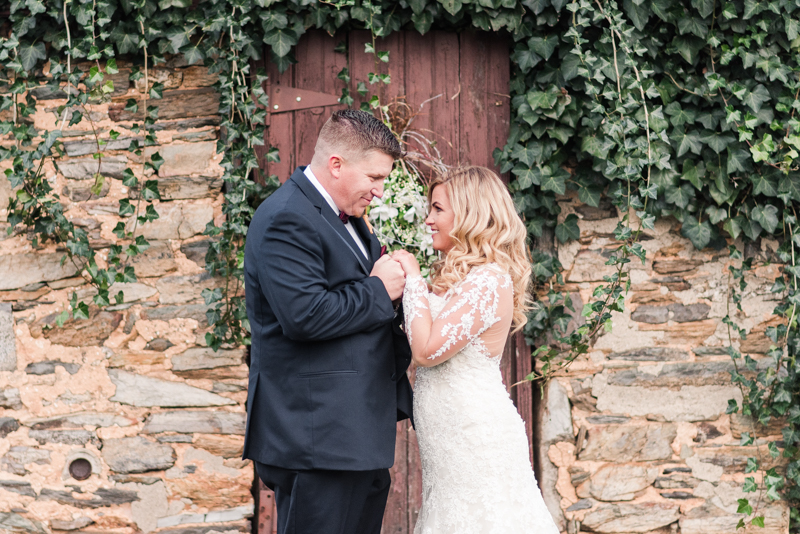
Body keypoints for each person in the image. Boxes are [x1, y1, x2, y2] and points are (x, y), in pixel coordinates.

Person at [242, 109, 414, 534]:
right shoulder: (286, 216)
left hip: (350, 434)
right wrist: (379, 289)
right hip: (317, 436)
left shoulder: (347, 216)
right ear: (336, 164)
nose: (378, 191)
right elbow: (304, 315)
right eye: (373, 178)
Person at [392, 166, 560, 534]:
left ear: (469, 215)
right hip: (448, 445)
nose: (428, 219)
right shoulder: (456, 277)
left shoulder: (487, 280)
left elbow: (427, 350)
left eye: (438, 209)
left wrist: (414, 279)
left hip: (476, 438)